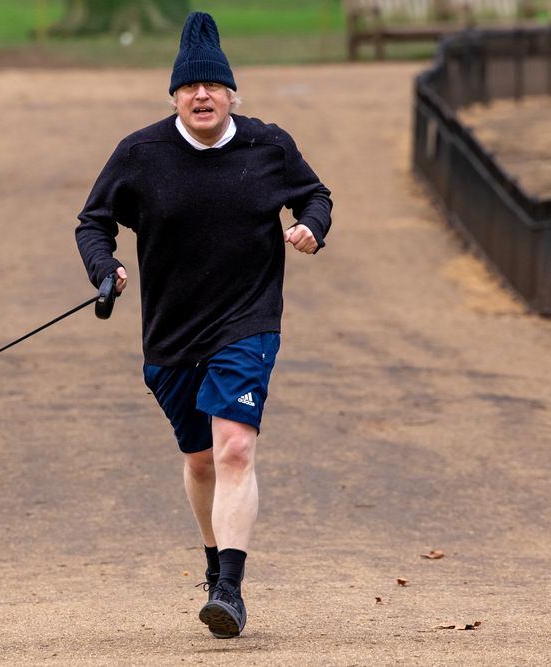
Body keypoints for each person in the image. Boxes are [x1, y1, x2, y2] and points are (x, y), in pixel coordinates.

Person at [75, 11, 332, 639]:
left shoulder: (269, 145)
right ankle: (214, 563)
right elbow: (93, 222)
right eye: (189, 87)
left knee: (235, 447)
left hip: (247, 321)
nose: (201, 95)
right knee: (199, 461)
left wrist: (311, 228)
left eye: (213, 86)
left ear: (231, 94)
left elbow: (315, 194)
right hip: (170, 331)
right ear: (174, 97)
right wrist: (104, 267)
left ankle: (230, 591)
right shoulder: (141, 153)